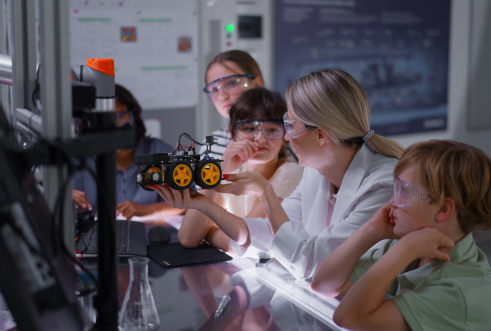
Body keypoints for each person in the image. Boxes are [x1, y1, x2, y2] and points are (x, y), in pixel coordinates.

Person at [151, 68, 404, 279]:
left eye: (290, 126)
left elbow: (316, 265)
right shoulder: (316, 174)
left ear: (320, 135)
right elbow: (269, 235)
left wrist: (265, 193)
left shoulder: (382, 187)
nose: (287, 136)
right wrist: (203, 203)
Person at [310, 140, 491, 331]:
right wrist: (372, 230)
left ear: (443, 209)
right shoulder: (416, 248)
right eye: (396, 187)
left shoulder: (455, 290)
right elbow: (324, 285)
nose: (392, 201)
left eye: (405, 191)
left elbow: (348, 318)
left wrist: (403, 251)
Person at [177, 87, 303, 254]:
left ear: (285, 136)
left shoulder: (290, 172)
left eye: (272, 130)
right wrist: (222, 168)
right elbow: (188, 238)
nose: (260, 138)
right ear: (233, 133)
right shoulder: (232, 172)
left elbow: (237, 243)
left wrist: (208, 233)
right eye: (250, 128)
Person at [73, 84, 185, 219]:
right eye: (106, 120)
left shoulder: (158, 151)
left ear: (133, 117)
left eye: (121, 116)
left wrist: (147, 210)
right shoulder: (81, 164)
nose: (115, 126)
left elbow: (187, 200)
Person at [202, 50, 265, 159]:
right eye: (215, 89)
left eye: (231, 83)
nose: (222, 96)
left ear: (257, 84)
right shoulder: (212, 145)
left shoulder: (286, 137)